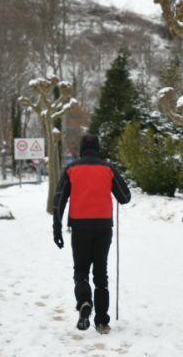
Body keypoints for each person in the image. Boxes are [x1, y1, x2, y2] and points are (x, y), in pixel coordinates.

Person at [52, 132, 131, 333]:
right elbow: (125, 197)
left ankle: (85, 302)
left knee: (81, 270)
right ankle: (102, 321)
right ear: (98, 148)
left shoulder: (71, 169)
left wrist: (57, 228)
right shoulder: (108, 169)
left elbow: (59, 200)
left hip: (79, 227)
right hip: (103, 226)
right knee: (101, 273)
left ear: (81, 149)